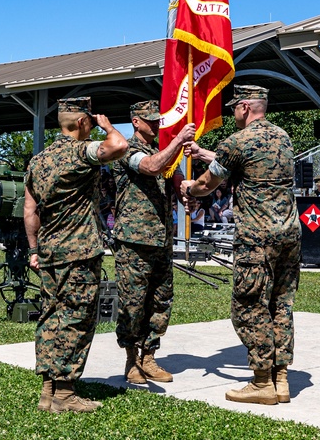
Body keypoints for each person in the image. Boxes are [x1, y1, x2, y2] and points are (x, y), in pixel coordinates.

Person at [182, 85, 300, 406]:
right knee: (281, 305)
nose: (232, 113)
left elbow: (209, 183)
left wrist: (189, 187)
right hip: (289, 235)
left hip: (256, 238)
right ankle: (281, 378)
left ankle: (261, 380)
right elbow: (243, 164)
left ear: (245, 107)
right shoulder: (282, 138)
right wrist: (206, 153)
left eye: (234, 107)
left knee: (248, 304)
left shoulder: (237, 141)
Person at [23, 97, 128, 414]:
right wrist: (107, 126)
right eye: (90, 121)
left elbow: (30, 211)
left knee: (51, 315)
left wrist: (33, 249)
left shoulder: (38, 162)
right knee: (76, 318)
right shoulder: (80, 152)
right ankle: (65, 394)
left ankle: (48, 389)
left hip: (50, 250)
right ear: (83, 122)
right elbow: (119, 146)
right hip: (79, 251)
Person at [111, 100, 195, 386]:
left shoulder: (162, 151)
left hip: (160, 238)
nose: (157, 124)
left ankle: (149, 356)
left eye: (158, 120)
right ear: (136, 122)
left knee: (160, 301)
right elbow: (150, 167)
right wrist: (178, 141)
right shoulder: (126, 149)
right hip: (134, 241)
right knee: (133, 304)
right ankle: (132, 359)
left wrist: (186, 191)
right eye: (150, 120)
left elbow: (172, 175)